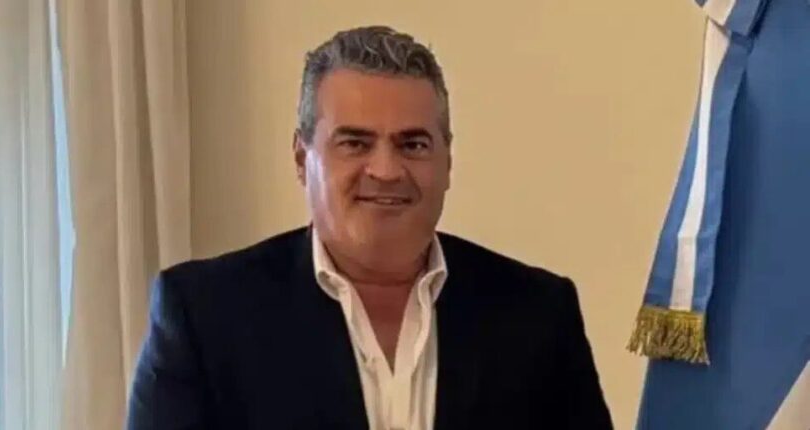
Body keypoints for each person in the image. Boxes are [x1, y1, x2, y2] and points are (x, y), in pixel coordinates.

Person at [127, 26, 612, 430]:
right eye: (355, 143)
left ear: (447, 161)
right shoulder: (205, 316)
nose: (385, 170)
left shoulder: (537, 314)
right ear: (301, 159)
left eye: (413, 144)